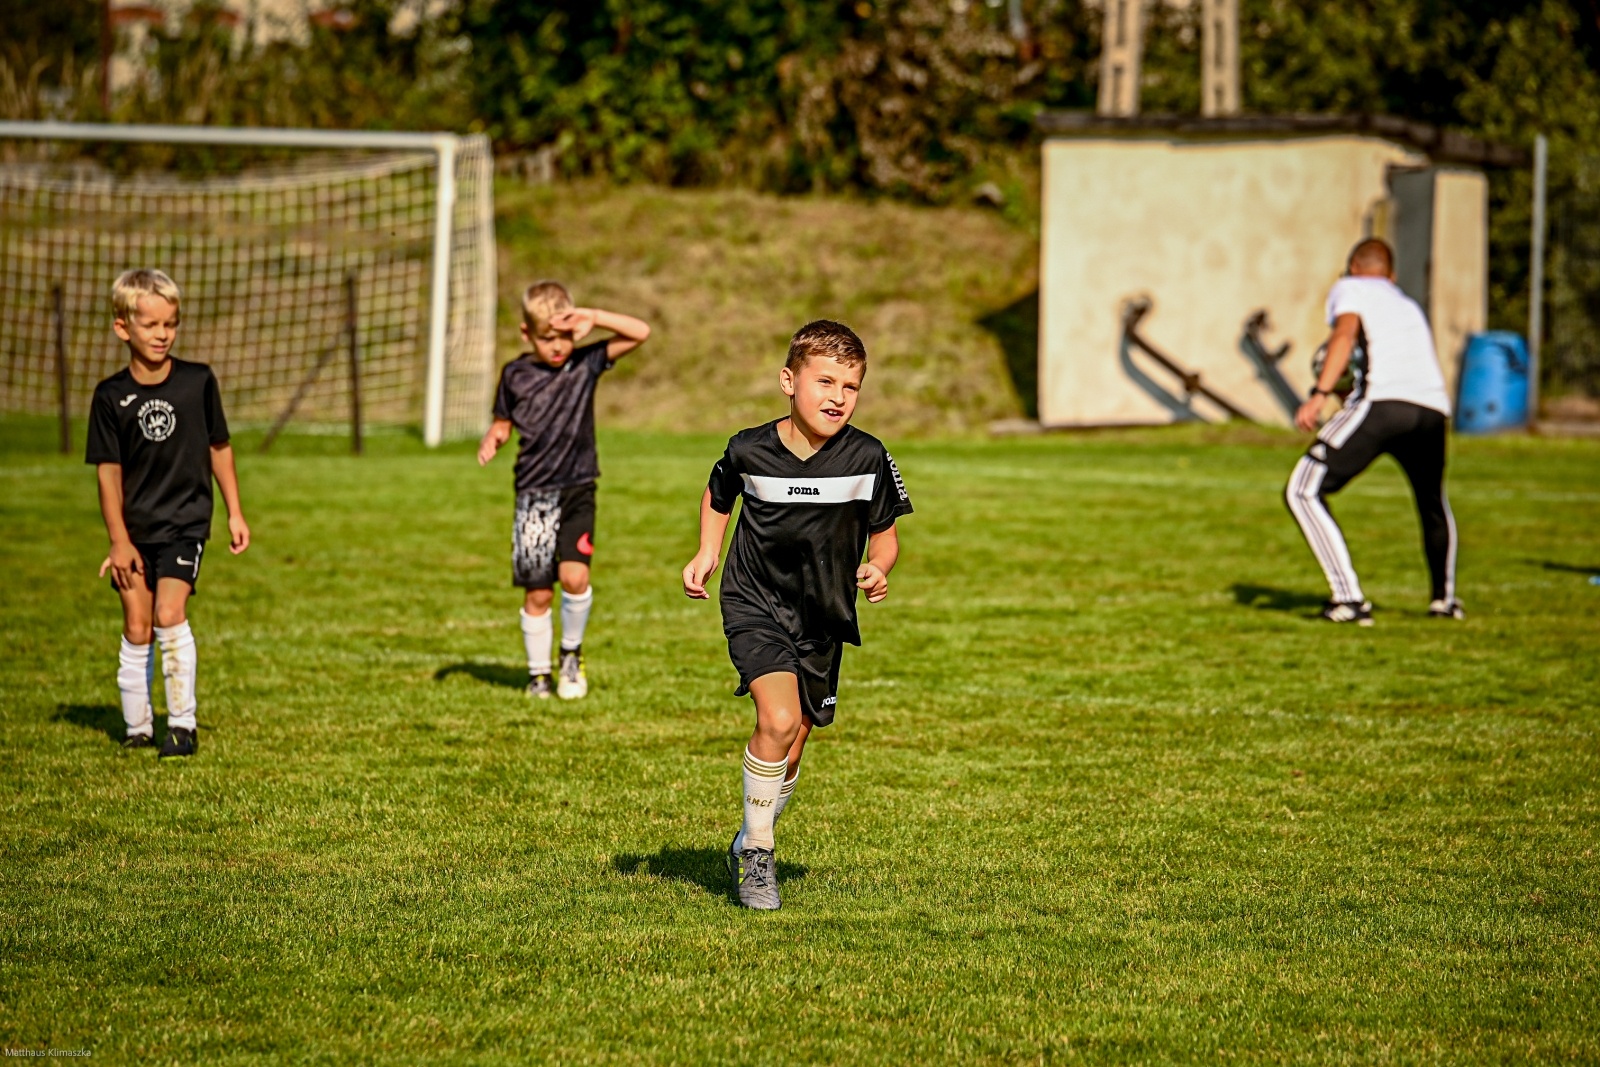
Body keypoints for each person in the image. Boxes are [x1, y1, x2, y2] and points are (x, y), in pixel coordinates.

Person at [682, 320, 913, 910]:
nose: (838, 396)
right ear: (790, 381)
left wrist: (879, 567)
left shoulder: (868, 456)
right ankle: (759, 855)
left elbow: (884, 537)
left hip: (825, 614)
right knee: (778, 719)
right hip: (754, 599)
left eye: (852, 386)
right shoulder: (748, 447)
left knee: (794, 740)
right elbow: (719, 493)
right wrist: (709, 550)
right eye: (825, 381)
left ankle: (747, 836)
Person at [86, 269, 251, 757]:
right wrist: (119, 540)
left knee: (168, 613)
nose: (162, 335)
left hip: (185, 525)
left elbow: (220, 447)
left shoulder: (198, 381)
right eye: (152, 325)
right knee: (137, 626)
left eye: (171, 325)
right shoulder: (110, 397)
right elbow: (108, 474)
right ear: (123, 328)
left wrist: (235, 512)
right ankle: (137, 729)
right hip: (134, 533)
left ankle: (182, 725)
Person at [478, 282, 651, 699]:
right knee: (538, 592)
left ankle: (571, 656)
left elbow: (639, 332)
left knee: (575, 577)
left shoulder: (585, 363)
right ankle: (538, 676)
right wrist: (494, 437)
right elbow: (504, 422)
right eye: (546, 337)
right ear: (526, 334)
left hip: (578, 487)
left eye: (565, 336)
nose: (557, 346)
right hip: (533, 495)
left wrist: (594, 316)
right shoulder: (515, 375)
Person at [1286, 238, 1462, 625]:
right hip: (1432, 410)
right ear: (1392, 275)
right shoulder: (1407, 305)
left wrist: (1318, 395)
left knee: (1301, 489)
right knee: (1432, 501)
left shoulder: (1350, 288)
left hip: (1383, 404)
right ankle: (1444, 600)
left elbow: (1345, 335)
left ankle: (1348, 599)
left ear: (1352, 268)